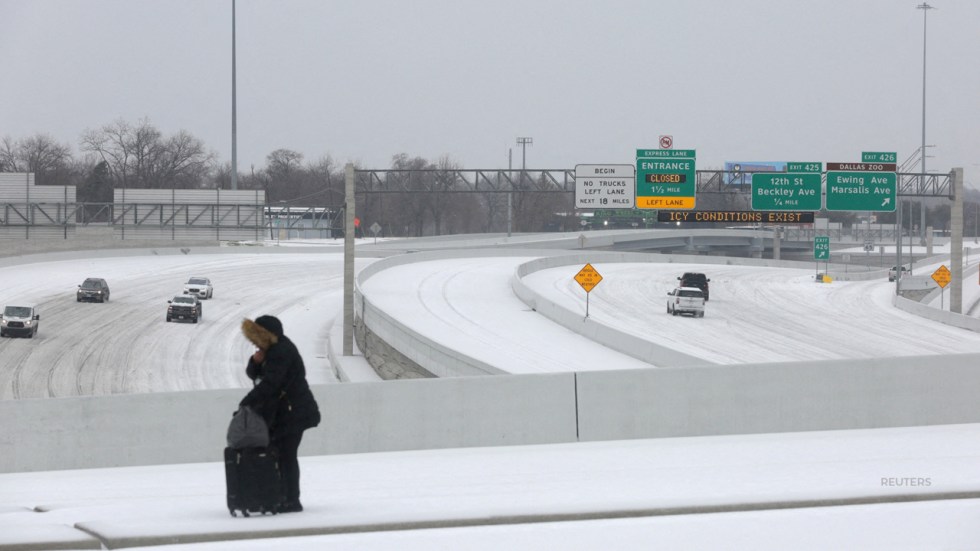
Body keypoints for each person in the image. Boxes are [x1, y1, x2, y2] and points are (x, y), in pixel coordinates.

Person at [240, 315, 321, 513]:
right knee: (281, 455)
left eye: (258, 337)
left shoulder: (281, 351)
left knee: (286, 455)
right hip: (285, 413)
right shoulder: (271, 350)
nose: (256, 343)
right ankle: (282, 497)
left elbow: (271, 384)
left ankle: (291, 500)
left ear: (267, 335)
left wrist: (246, 402)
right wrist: (255, 361)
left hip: (295, 412)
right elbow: (254, 374)